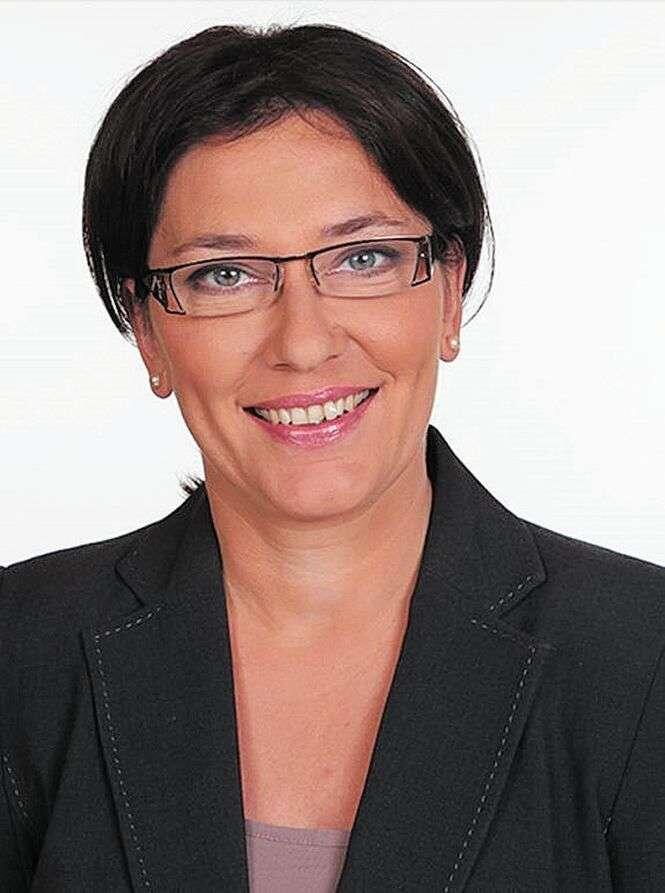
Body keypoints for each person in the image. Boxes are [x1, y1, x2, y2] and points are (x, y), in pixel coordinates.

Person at [1, 21, 664, 893]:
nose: (303, 343)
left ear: (449, 292)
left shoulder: (642, 656)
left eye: (363, 258)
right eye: (225, 274)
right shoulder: (20, 651)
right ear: (148, 331)